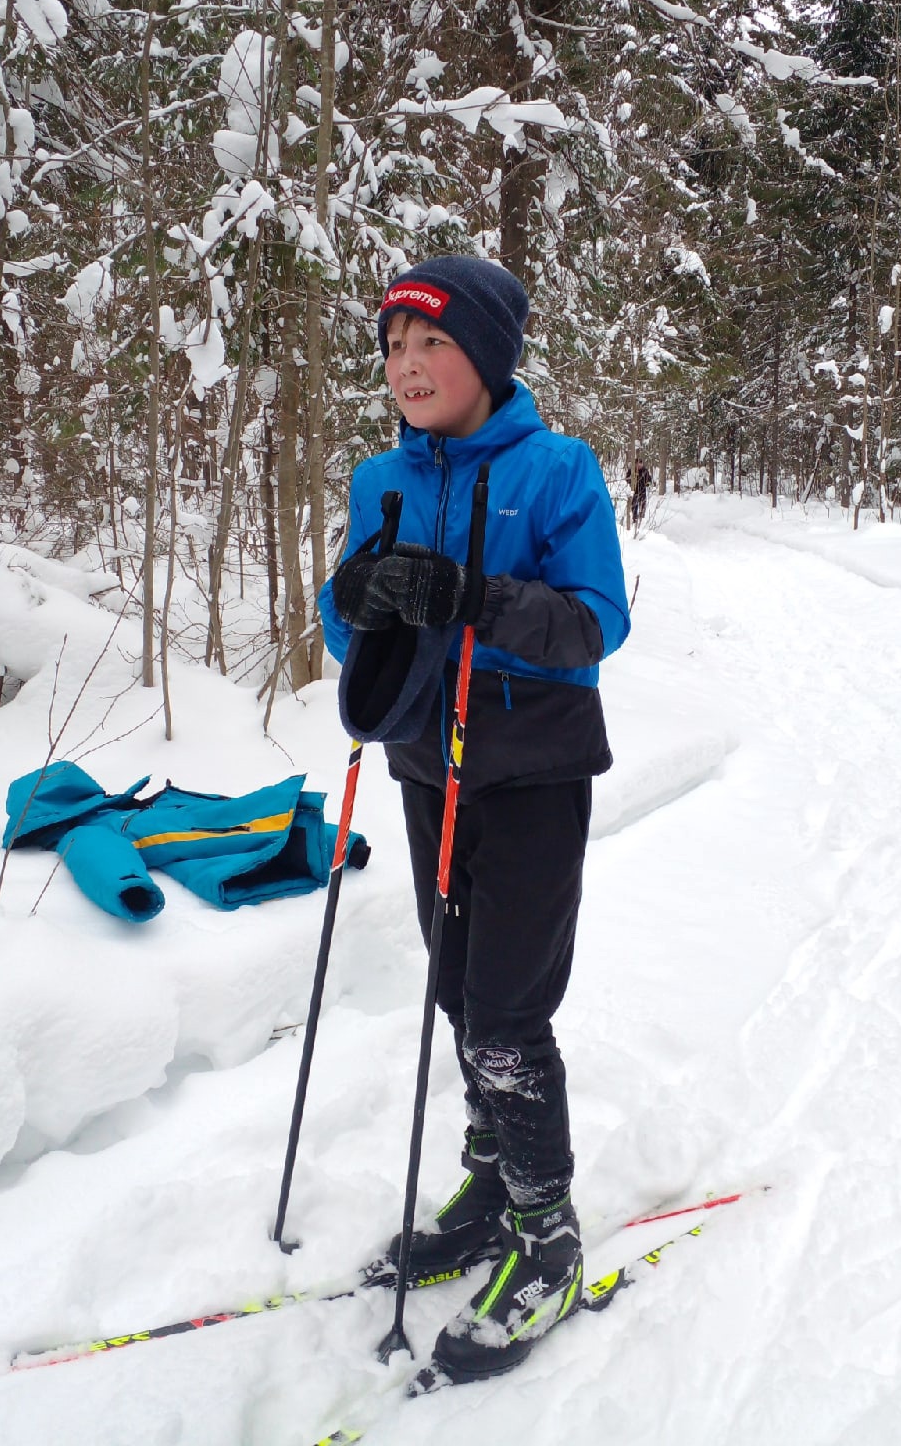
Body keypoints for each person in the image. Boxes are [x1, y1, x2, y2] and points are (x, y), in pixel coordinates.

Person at [317, 254, 630, 1382]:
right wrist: (351, 601)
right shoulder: (377, 478)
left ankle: (547, 1236)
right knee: (457, 986)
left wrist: (474, 600)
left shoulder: (558, 472)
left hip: (534, 769)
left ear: (486, 358)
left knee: (506, 1007)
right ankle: (494, 1181)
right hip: (421, 761)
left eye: (431, 345)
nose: (407, 366)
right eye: (394, 347)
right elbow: (344, 612)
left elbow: (598, 622)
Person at [629, 454, 652, 528]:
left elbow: (649, 479)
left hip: (642, 490)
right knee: (634, 505)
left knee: (643, 504)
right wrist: (631, 481)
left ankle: (642, 518)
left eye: (640, 464)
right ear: (635, 464)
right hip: (634, 491)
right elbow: (627, 478)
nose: (639, 466)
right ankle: (634, 519)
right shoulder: (632, 470)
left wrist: (648, 483)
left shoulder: (645, 471)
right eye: (637, 464)